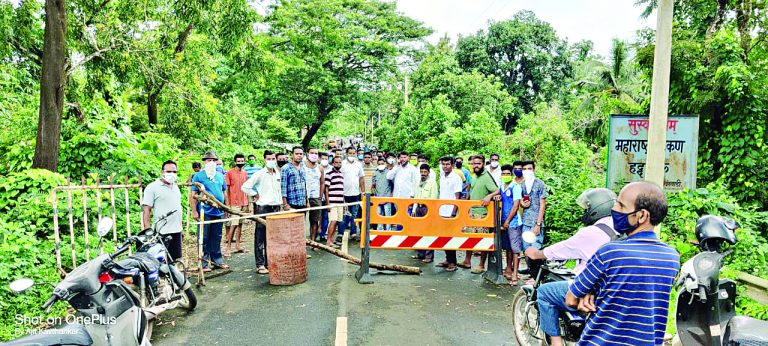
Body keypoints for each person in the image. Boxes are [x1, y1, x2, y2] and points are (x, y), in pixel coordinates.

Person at [566, 182, 680, 346]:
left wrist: (590, 295)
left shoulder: (610, 252)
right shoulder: (671, 258)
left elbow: (571, 299)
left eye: (620, 205)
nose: (614, 210)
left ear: (641, 216)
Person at [522, 188, 618, 346]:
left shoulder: (590, 232)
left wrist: (536, 253)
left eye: (587, 208)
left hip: (592, 290)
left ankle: (556, 342)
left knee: (544, 293)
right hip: (613, 289)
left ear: (595, 208)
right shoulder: (623, 230)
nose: (585, 211)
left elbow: (561, 249)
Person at [241, 150, 282, 275]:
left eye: (273, 158)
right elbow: (245, 186)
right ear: (264, 160)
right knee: (260, 236)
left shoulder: (277, 173)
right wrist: (255, 194)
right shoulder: (260, 174)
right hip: (263, 207)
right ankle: (260, 264)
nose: (271, 161)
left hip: (276, 207)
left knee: (273, 237)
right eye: (268, 159)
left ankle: (270, 262)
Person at [460, 155, 499, 273]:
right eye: (474, 163)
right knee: (470, 237)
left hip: (483, 214)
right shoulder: (474, 176)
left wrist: (489, 196)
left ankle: (481, 265)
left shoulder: (486, 176)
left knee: (483, 240)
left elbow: (497, 190)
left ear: (483, 164)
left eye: (478, 164)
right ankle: (467, 261)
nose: (476, 166)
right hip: (472, 212)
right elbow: (472, 189)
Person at [190, 152, 229, 272]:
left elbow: (224, 192)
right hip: (205, 211)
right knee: (204, 237)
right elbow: (193, 195)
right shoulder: (198, 176)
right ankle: (204, 263)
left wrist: (226, 208)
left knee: (216, 236)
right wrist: (194, 211)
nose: (210, 162)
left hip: (218, 211)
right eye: (208, 160)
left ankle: (217, 260)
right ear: (204, 162)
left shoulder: (219, 176)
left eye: (213, 160)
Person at [142, 160, 184, 261]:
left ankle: (173, 276)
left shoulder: (175, 187)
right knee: (161, 260)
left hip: (176, 230)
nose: (172, 174)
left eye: (174, 172)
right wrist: (148, 231)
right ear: (162, 172)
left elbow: (177, 208)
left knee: (175, 259)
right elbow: (146, 210)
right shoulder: (152, 187)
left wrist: (181, 228)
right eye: (169, 172)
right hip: (162, 232)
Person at [519, 160, 548, 278]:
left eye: (529, 169)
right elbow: (520, 201)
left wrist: (538, 223)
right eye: (524, 169)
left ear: (534, 169)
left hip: (536, 222)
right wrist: (522, 203)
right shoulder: (522, 185)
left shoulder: (540, 184)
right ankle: (531, 271)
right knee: (526, 248)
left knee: (536, 248)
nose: (527, 171)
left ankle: (536, 276)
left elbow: (543, 205)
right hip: (526, 220)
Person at [435, 156, 462, 272]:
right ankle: (447, 259)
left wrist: (453, 212)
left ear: (453, 165)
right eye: (443, 164)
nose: (445, 166)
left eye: (447, 164)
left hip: (451, 211)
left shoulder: (456, 178)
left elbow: (458, 197)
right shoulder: (442, 176)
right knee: (443, 236)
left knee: (450, 237)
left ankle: (453, 262)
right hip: (442, 210)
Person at [499, 164, 523, 282]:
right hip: (503, 221)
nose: (505, 175)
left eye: (508, 174)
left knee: (515, 249)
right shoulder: (502, 186)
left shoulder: (516, 187)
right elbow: (496, 193)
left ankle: (515, 273)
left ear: (511, 175)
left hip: (513, 223)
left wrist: (507, 221)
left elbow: (516, 205)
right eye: (504, 173)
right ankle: (508, 269)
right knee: (507, 247)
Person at [224, 153, 249, 257]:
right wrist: (227, 205)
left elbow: (247, 188)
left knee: (240, 224)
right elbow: (226, 190)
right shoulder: (229, 173)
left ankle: (238, 245)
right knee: (233, 225)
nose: (240, 163)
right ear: (235, 162)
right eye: (238, 161)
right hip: (234, 203)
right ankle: (228, 247)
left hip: (244, 201)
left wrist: (248, 203)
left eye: (242, 161)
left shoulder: (245, 173)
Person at [338, 147, 364, 243]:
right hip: (344, 194)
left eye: (353, 153)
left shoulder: (359, 165)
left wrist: (363, 192)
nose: (352, 155)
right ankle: (340, 233)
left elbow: (361, 178)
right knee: (343, 215)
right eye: (350, 153)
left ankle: (353, 233)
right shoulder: (342, 164)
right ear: (346, 153)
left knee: (354, 215)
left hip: (356, 194)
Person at [413, 163, 438, 262]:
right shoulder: (419, 182)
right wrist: (414, 209)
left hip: (427, 208)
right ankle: (420, 253)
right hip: (418, 208)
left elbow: (434, 197)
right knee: (419, 231)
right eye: (421, 172)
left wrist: (431, 211)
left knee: (428, 232)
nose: (423, 173)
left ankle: (429, 256)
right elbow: (416, 196)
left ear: (428, 172)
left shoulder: (432, 183)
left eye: (425, 172)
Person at [303, 147, 324, 244]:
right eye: (312, 153)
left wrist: (320, 196)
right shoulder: (302, 166)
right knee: (300, 221)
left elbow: (322, 183)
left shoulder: (320, 168)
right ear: (307, 154)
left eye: (316, 153)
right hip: (303, 197)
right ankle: (301, 243)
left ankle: (313, 241)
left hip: (316, 197)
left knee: (314, 220)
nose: (314, 155)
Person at [324, 156, 345, 249]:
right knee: (332, 221)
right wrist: (327, 203)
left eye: (339, 162)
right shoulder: (329, 174)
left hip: (340, 202)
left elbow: (342, 190)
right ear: (332, 163)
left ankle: (332, 240)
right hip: (332, 202)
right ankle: (328, 241)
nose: (338, 164)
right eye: (336, 162)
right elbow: (326, 189)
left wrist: (344, 203)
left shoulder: (341, 174)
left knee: (336, 222)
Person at [371, 156, 393, 230]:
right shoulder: (375, 173)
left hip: (387, 198)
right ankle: (380, 230)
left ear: (385, 164)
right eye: (379, 164)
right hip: (378, 198)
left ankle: (388, 231)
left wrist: (391, 195)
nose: (381, 165)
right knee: (379, 215)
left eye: (382, 163)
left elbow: (393, 185)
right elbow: (373, 186)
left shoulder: (389, 173)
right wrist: (374, 194)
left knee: (388, 216)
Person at [318, 152, 331, 242]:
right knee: (317, 217)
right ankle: (315, 233)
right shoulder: (316, 168)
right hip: (317, 196)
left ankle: (323, 234)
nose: (324, 160)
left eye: (326, 159)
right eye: (323, 158)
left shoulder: (331, 169)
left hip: (327, 196)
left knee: (325, 216)